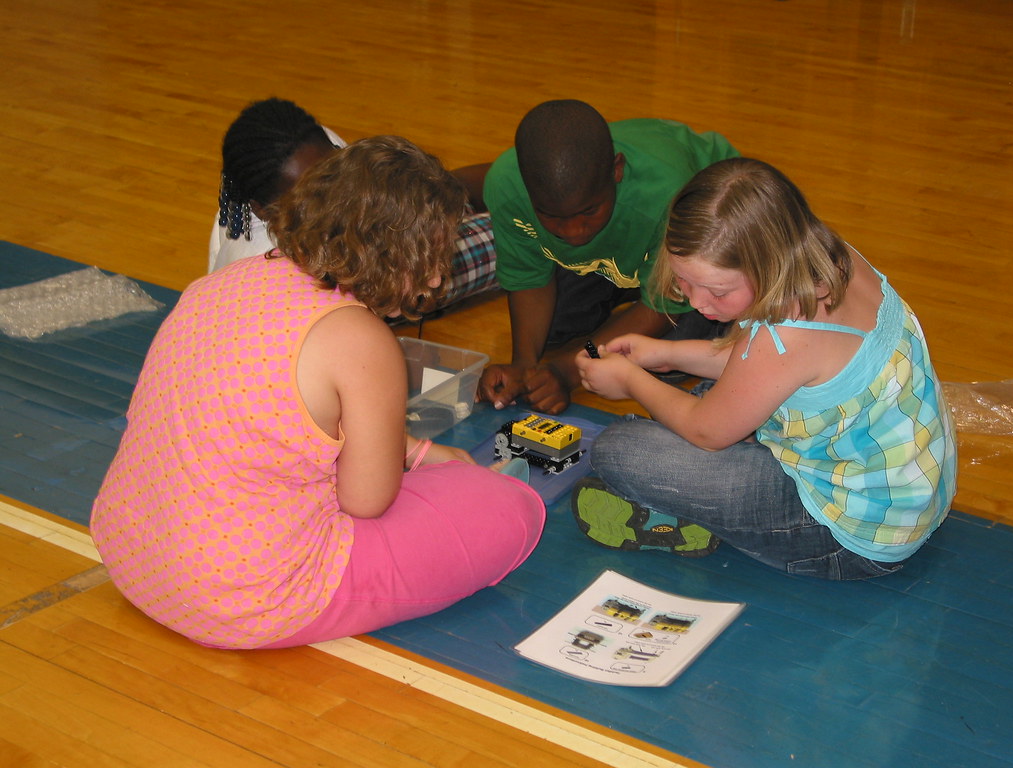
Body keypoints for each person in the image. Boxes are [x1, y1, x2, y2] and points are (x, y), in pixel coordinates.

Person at [91, 136, 546, 649]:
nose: (439, 276)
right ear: (398, 252)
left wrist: (422, 452)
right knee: (511, 509)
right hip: (238, 599)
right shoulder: (359, 338)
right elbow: (366, 501)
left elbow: (268, 424)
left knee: (443, 474)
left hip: (131, 556)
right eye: (434, 257)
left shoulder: (218, 284)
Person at [572, 157, 956, 580]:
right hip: (909, 496)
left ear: (768, 266)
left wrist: (630, 379)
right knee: (700, 403)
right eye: (685, 281)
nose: (698, 303)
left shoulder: (782, 338)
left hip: (848, 539)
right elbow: (753, 365)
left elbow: (707, 430)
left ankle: (691, 520)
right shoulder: (835, 258)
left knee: (618, 448)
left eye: (717, 290)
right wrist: (663, 355)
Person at [477, 99, 739, 415]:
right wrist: (523, 364)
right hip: (628, 250)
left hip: (709, 234)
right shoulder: (506, 187)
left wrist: (570, 369)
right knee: (552, 328)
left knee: (666, 358)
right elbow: (527, 278)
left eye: (589, 211)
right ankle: (625, 293)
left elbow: (659, 306)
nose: (574, 232)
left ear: (616, 171)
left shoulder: (670, 197)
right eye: (551, 216)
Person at [209, 97, 498, 310]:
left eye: (331, 172)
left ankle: (526, 172)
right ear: (261, 209)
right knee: (511, 233)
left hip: (366, 258)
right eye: (309, 195)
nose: (330, 193)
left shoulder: (315, 152)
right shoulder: (265, 264)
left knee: (428, 193)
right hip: (366, 285)